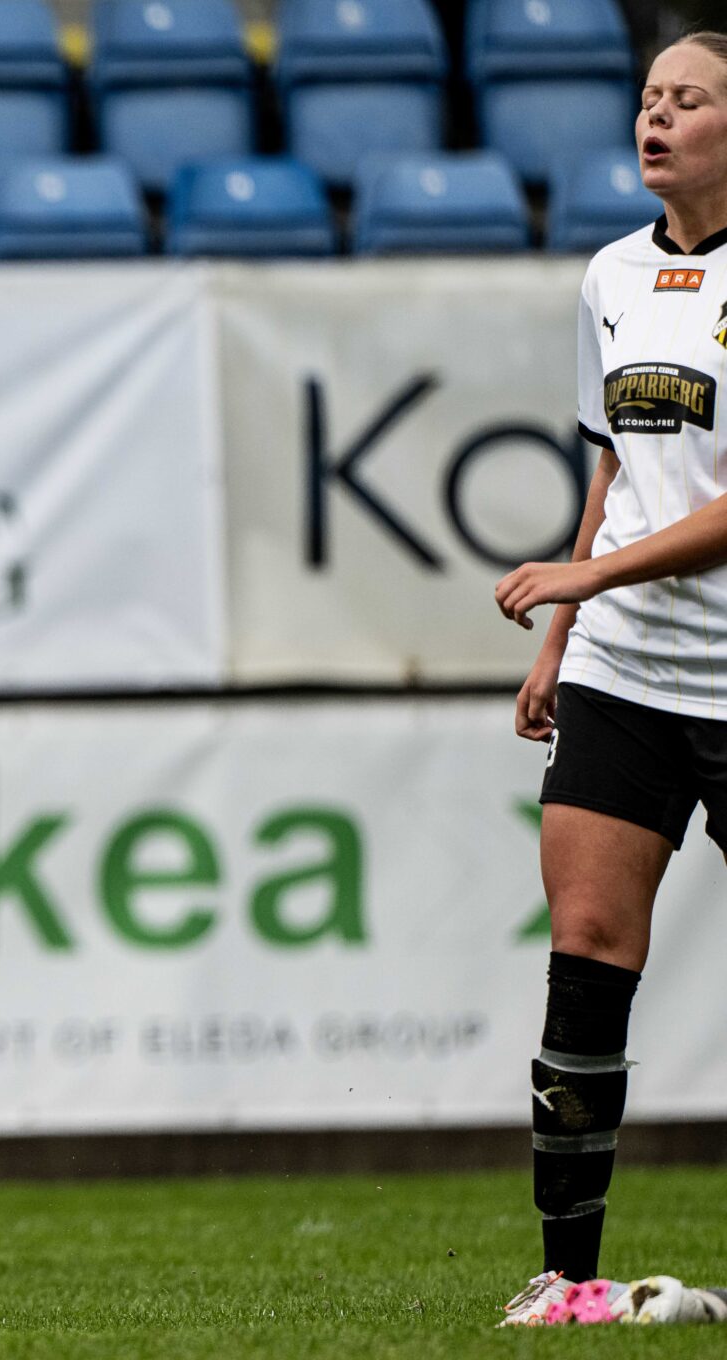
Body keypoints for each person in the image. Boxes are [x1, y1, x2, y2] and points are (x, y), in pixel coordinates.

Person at [493, 32, 727, 1328]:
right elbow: (614, 472)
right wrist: (561, 642)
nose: (657, 118)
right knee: (585, 948)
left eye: (687, 100)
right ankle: (567, 1278)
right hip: (625, 670)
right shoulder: (611, 275)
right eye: (648, 99)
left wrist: (584, 577)